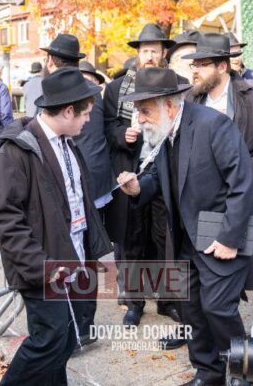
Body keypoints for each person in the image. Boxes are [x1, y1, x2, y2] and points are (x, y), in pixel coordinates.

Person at [118, 67, 253, 386]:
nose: (139, 119)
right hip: (188, 235)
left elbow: (241, 183)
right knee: (191, 309)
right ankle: (208, 373)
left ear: (169, 106)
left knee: (218, 308)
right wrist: (138, 187)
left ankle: (245, 376)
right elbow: (160, 175)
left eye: (144, 111)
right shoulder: (163, 130)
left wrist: (229, 238)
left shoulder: (213, 125)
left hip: (224, 230)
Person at [0, 67, 111, 385]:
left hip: (72, 256)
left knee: (66, 338)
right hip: (44, 264)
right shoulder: (16, 149)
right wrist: (41, 266)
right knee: (49, 339)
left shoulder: (67, 142)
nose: (88, 120)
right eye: (85, 113)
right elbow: (4, 216)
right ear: (68, 111)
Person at [103, 23, 182, 327]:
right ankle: (134, 302)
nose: (149, 56)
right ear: (138, 53)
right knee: (132, 240)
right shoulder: (116, 89)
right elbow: (108, 127)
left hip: (165, 172)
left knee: (165, 238)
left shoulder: (176, 85)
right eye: (145, 50)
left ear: (164, 53)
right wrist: (122, 135)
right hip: (131, 171)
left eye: (155, 50)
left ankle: (167, 300)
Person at [42, 36, 113, 343]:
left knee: (79, 253)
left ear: (51, 61)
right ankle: (81, 324)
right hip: (90, 183)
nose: (87, 117)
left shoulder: (60, 94)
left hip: (81, 186)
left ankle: (79, 324)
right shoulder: (88, 89)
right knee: (85, 252)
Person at [185, 33, 253, 184]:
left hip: (237, 193)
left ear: (222, 67)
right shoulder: (190, 99)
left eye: (202, 65)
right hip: (201, 191)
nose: (195, 70)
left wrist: (246, 173)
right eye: (194, 64)